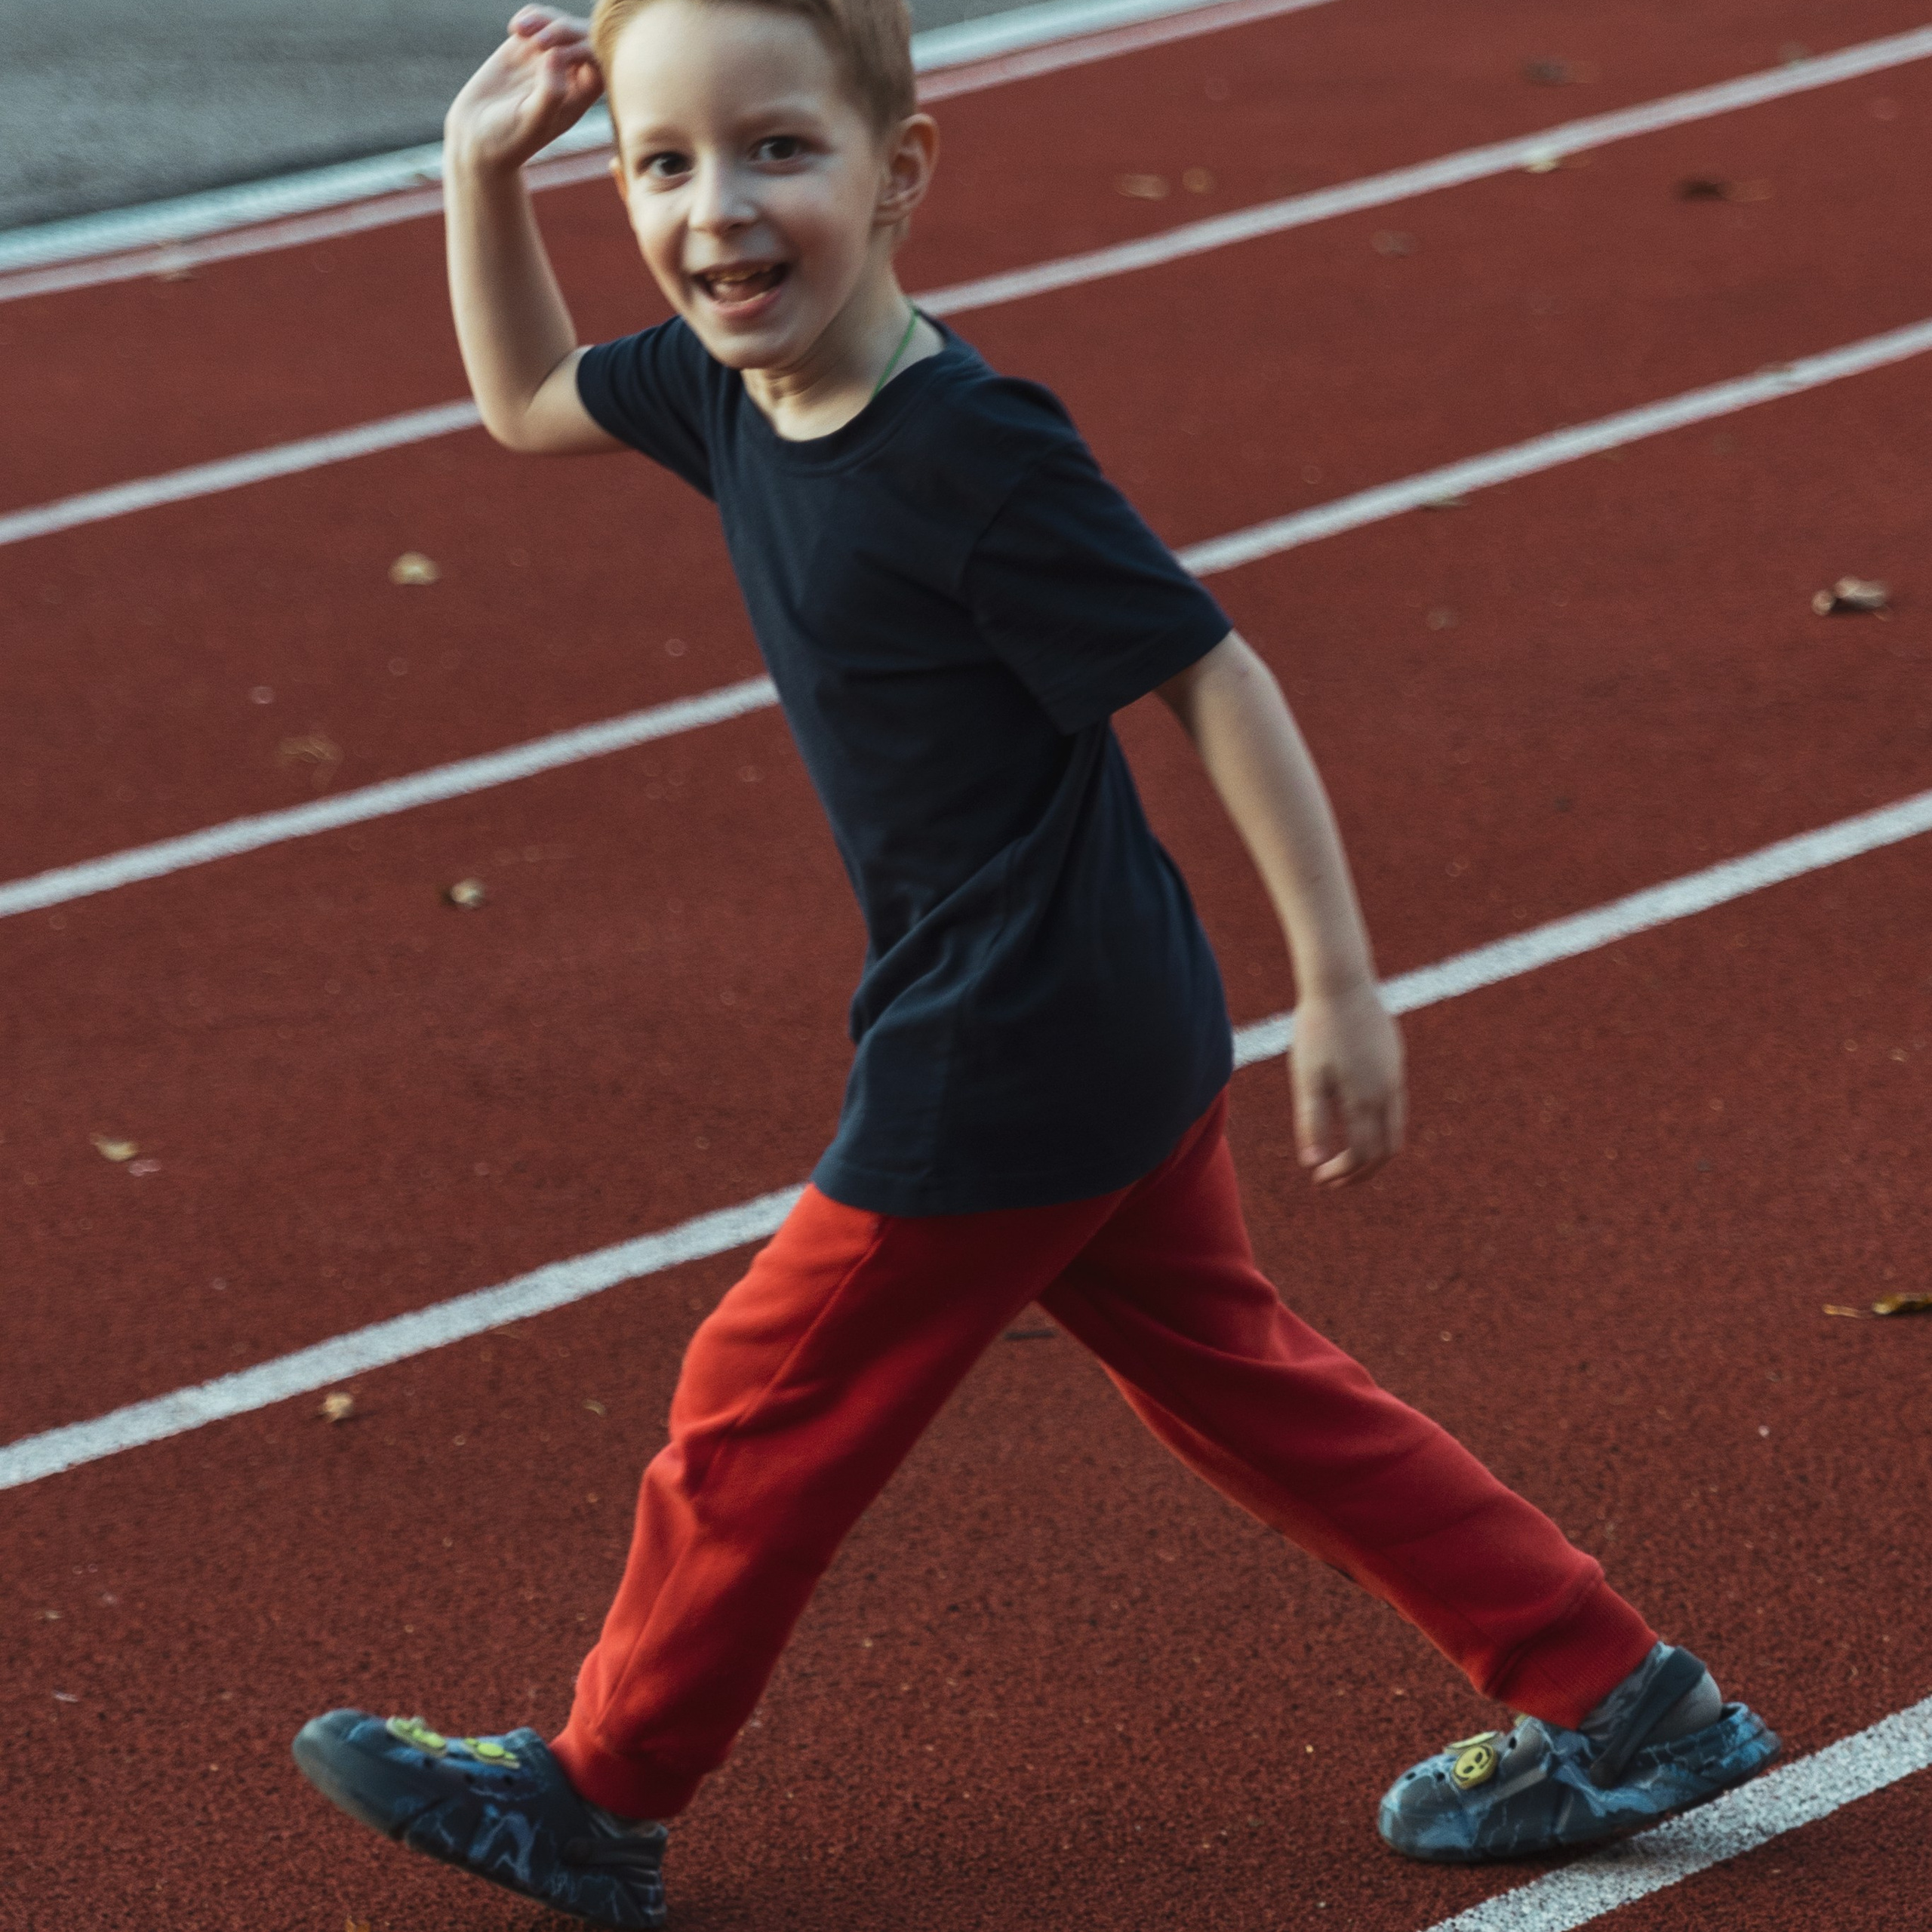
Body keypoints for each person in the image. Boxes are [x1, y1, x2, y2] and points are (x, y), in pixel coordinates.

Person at [291, 2, 1777, 1923]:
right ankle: (1616, 1691)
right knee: (1241, 1384)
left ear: (898, 174)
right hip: (1102, 1006)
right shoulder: (721, 391)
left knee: (757, 1401)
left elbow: (1209, 674)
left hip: (1008, 1038)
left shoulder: (971, 449)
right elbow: (517, 396)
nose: (714, 208)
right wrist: (478, 171)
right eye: (661, 165)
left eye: (775, 152)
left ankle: (600, 1788)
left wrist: (1339, 979)